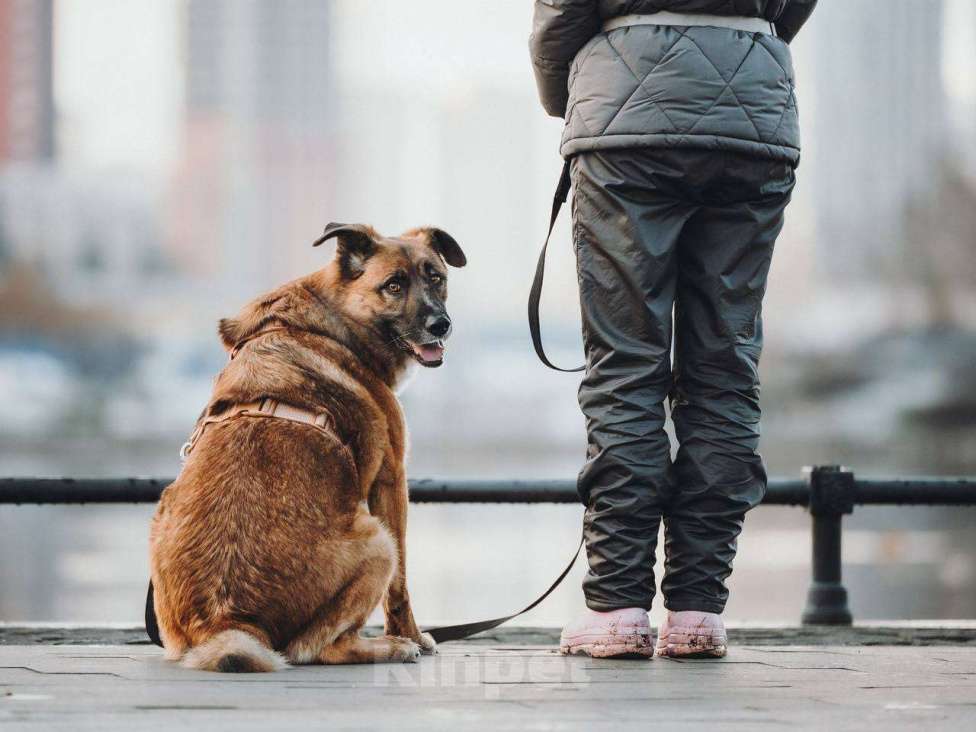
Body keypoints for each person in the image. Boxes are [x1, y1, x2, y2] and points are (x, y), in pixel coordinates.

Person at [529, 0, 818, 659]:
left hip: (626, 125)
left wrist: (574, 90)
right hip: (753, 119)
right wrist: (744, 41)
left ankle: (617, 609)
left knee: (626, 368)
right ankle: (698, 612)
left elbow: (560, 16)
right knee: (725, 368)